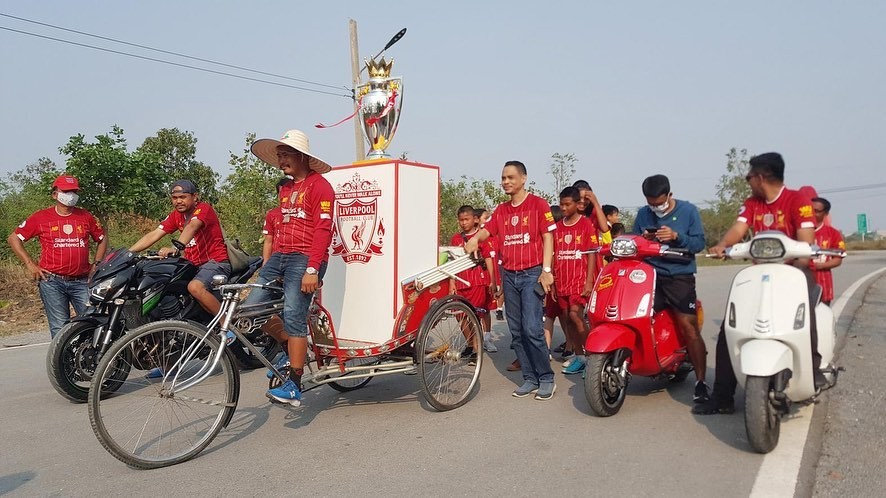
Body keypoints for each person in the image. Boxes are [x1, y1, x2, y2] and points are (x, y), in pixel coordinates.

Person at [695, 152, 821, 415]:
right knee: (730, 327)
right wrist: (722, 245)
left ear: (761, 177)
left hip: (792, 273)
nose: (747, 180)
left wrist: (800, 261)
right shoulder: (752, 203)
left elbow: (806, 240)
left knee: (805, 314)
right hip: (760, 275)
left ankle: (813, 370)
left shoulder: (798, 200)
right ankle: (722, 397)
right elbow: (738, 229)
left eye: (749, 176)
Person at [246, 129, 335, 407]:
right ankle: (288, 346)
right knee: (250, 308)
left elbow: (323, 229)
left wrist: (312, 269)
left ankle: (294, 385)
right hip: (280, 257)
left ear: (301, 157)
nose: (281, 160)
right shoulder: (285, 188)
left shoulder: (320, 186)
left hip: (305, 258)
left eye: (286, 155)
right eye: (279, 155)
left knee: (294, 314)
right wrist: (268, 262)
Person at [464, 160, 557, 400]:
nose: (505, 182)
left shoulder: (538, 205)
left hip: (532, 274)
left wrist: (546, 270)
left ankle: (546, 378)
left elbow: (548, 237)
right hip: (510, 275)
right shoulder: (502, 210)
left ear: (523, 178)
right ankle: (529, 378)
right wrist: (475, 240)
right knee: (516, 330)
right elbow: (487, 230)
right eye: (503, 178)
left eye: (510, 177)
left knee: (532, 328)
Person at [632, 174, 708, 402]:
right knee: (639, 317)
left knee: (688, 326)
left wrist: (676, 236)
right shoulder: (643, 214)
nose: (655, 207)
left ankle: (701, 382)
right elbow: (634, 240)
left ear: (669, 196)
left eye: (659, 202)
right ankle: (652, 360)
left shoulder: (688, 211)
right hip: (649, 275)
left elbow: (699, 243)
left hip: (679, 275)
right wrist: (643, 238)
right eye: (651, 203)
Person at [8, 174, 107, 338]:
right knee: (60, 327)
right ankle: (62, 362)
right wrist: (29, 264)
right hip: (52, 281)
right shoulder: (41, 217)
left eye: (74, 191)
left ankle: (90, 360)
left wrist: (96, 264)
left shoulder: (85, 217)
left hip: (82, 280)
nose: (71, 195)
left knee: (92, 322)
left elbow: (102, 239)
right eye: (66, 191)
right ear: (55, 194)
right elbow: (14, 238)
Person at [129, 180, 230, 317]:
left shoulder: (203, 209)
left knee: (195, 287)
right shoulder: (176, 216)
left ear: (195, 197)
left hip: (215, 262)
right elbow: (154, 234)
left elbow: (192, 226)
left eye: (183, 197)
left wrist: (175, 248)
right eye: (175, 198)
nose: (178, 201)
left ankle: (227, 326)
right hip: (192, 265)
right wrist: (128, 254)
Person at [554, 187, 600, 375]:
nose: (563, 208)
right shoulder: (557, 227)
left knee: (576, 316)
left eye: (567, 204)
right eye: (561, 204)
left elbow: (591, 256)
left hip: (579, 280)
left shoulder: (586, 225)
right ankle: (579, 356)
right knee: (567, 319)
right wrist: (552, 279)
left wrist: (589, 282)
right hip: (561, 280)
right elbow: (553, 254)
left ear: (576, 204)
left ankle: (593, 357)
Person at [449, 205, 497, 359]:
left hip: (477, 281)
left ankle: (477, 350)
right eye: (461, 220)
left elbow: (489, 258)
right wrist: (451, 282)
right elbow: (451, 261)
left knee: (475, 315)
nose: (464, 223)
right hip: (460, 281)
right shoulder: (456, 238)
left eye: (466, 219)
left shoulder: (481, 236)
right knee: (459, 315)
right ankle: (470, 344)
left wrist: (493, 280)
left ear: (474, 219)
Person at [810, 197, 845, 305]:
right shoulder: (797, 231)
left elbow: (838, 259)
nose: (812, 213)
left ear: (825, 213)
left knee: (822, 317)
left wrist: (819, 266)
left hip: (823, 282)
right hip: (801, 282)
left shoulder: (833, 233)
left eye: (817, 211)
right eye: (810, 210)